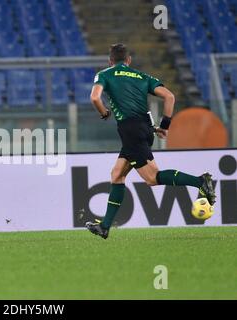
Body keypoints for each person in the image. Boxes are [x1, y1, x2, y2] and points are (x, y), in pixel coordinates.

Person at [85, 43, 216, 239]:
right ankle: (104, 226)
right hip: (146, 129)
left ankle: (200, 182)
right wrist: (164, 126)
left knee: (152, 178)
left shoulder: (104, 74)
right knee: (117, 174)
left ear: (110, 61)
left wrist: (104, 113)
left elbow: (95, 98)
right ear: (128, 61)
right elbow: (170, 97)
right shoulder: (142, 77)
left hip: (131, 131)